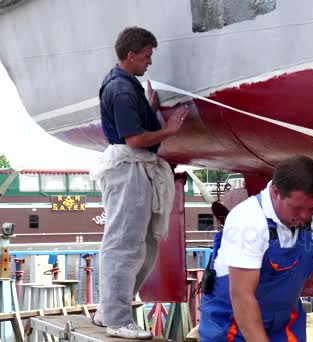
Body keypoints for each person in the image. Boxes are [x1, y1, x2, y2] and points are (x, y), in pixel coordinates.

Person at [199, 146, 313, 342]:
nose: (304, 216)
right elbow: (243, 297)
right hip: (232, 324)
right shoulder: (247, 220)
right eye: (296, 208)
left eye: (311, 208)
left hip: (284, 323)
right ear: (275, 193)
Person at [90, 27, 188, 339]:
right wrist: (169, 130)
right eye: (146, 57)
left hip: (136, 168)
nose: (149, 63)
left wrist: (149, 108)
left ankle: (109, 310)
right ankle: (118, 320)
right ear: (130, 55)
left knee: (145, 244)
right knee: (123, 243)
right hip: (129, 169)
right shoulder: (120, 89)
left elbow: (133, 126)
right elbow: (134, 139)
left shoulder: (126, 84)